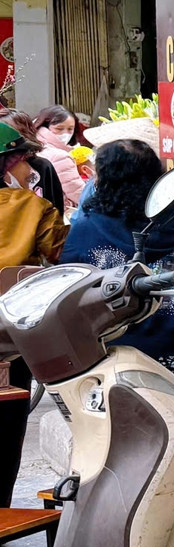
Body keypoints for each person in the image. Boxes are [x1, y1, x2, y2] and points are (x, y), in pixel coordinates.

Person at [58, 140, 174, 396]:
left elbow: (68, 289)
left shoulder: (87, 228)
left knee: (120, 419)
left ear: (106, 178)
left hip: (108, 354)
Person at [0, 119, 65, 508]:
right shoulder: (32, 207)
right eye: (25, 161)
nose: (30, 170)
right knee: (6, 436)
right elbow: (62, 255)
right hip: (10, 342)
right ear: (9, 164)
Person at [31, 105, 85, 206]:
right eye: (59, 129)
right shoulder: (60, 156)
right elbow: (79, 194)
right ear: (45, 127)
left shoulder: (32, 146)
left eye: (70, 129)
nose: (65, 134)